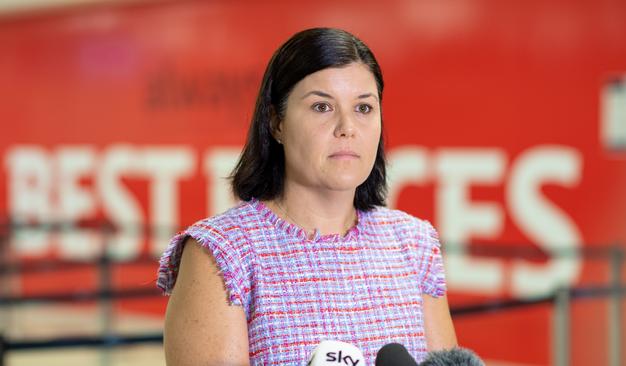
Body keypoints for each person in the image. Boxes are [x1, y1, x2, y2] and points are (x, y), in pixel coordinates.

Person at [157, 27, 457, 365]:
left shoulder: (414, 243)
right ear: (276, 123)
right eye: (321, 106)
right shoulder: (223, 253)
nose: (347, 127)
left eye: (364, 108)